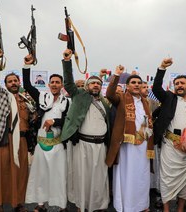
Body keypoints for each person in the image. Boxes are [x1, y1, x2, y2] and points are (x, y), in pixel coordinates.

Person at [61, 49, 111, 212]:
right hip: (82, 144)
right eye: (92, 83)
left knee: (99, 178)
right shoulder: (79, 95)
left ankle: (98, 205)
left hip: (101, 146)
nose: (96, 85)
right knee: (81, 177)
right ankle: (80, 206)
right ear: (87, 86)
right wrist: (67, 61)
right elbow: (68, 83)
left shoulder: (104, 102)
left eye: (98, 83)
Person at [0, 49, 34, 212]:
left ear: (19, 83)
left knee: (20, 175)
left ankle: (18, 204)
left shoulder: (26, 99)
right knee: (1, 174)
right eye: (10, 81)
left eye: (15, 81)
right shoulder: (1, 95)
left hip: (21, 142)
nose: (13, 83)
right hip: (4, 140)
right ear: (5, 85)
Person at [152, 58, 186, 212]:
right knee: (168, 179)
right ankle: (166, 209)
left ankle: (180, 209)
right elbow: (156, 88)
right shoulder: (169, 98)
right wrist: (161, 68)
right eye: (177, 83)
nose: (179, 85)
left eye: (182, 83)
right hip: (171, 146)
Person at [22, 54, 70, 212]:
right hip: (42, 145)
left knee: (59, 176)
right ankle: (40, 204)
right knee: (41, 176)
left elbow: (70, 122)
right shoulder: (42, 97)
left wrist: (55, 122)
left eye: (58, 82)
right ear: (48, 84)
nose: (55, 84)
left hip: (58, 145)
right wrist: (27, 66)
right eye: (53, 82)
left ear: (62, 85)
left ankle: (62, 205)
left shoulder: (67, 102)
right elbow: (28, 86)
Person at [105, 65, 152, 212]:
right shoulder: (121, 98)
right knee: (126, 176)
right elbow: (110, 93)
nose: (137, 85)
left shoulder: (145, 101)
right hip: (126, 146)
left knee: (142, 176)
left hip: (143, 144)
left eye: (139, 83)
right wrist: (116, 75)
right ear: (127, 86)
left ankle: (141, 205)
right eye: (133, 83)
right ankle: (125, 206)